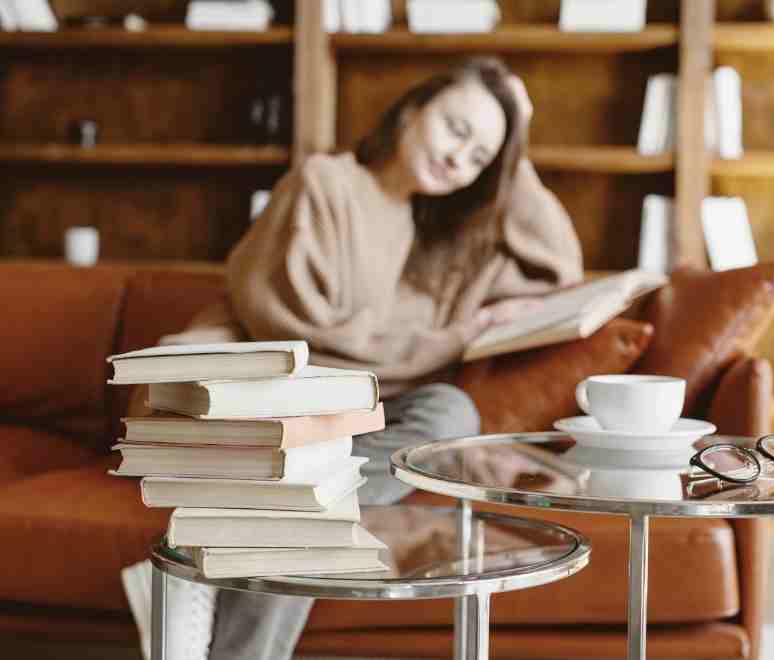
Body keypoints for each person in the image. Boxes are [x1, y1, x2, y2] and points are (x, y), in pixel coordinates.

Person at [126, 56, 583, 660]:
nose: (458, 159)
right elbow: (295, 326)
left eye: (479, 159)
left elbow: (561, 268)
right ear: (413, 109)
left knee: (449, 414)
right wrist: (451, 336)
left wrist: (514, 152)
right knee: (315, 519)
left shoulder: (445, 238)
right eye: (456, 129)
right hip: (264, 392)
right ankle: (280, 525)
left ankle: (255, 529)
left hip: (350, 415)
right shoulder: (325, 182)